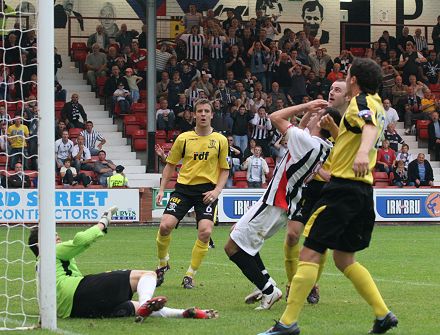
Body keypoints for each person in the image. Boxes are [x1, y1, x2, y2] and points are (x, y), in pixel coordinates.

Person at [258, 58, 398, 335]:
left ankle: (288, 323)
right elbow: (357, 135)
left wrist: (360, 153)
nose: (345, 79)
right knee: (344, 259)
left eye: (347, 75)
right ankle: (383, 315)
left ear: (354, 80)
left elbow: (367, 130)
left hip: (342, 190)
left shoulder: (361, 103)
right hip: (362, 191)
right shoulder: (378, 103)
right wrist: (339, 134)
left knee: (310, 253)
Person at [224, 100, 339, 311]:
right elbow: (301, 129)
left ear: (322, 122)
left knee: (232, 247)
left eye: (317, 115)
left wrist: (306, 105)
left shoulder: (308, 143)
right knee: (239, 237)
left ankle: (269, 290)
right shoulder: (322, 145)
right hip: (277, 200)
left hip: (276, 202)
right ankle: (263, 283)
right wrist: (308, 114)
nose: (312, 116)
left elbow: (275, 117)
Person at [27, 207, 218, 321]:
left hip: (71, 310)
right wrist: (104, 221)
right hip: (77, 292)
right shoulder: (51, 252)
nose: (57, 236)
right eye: (51, 235)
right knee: (147, 275)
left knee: (132, 306)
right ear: (40, 244)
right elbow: (82, 239)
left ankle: (185, 313)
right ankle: (146, 302)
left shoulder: (41, 265)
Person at [154, 98, 229, 289]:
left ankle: (190, 274)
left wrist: (217, 191)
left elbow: (224, 169)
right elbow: (170, 165)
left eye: (206, 111)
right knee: (165, 226)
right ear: (194, 115)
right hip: (184, 190)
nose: (203, 114)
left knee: (205, 232)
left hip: (207, 192)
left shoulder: (220, 140)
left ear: (212, 115)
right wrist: (162, 189)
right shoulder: (184, 138)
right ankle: (163, 264)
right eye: (200, 111)